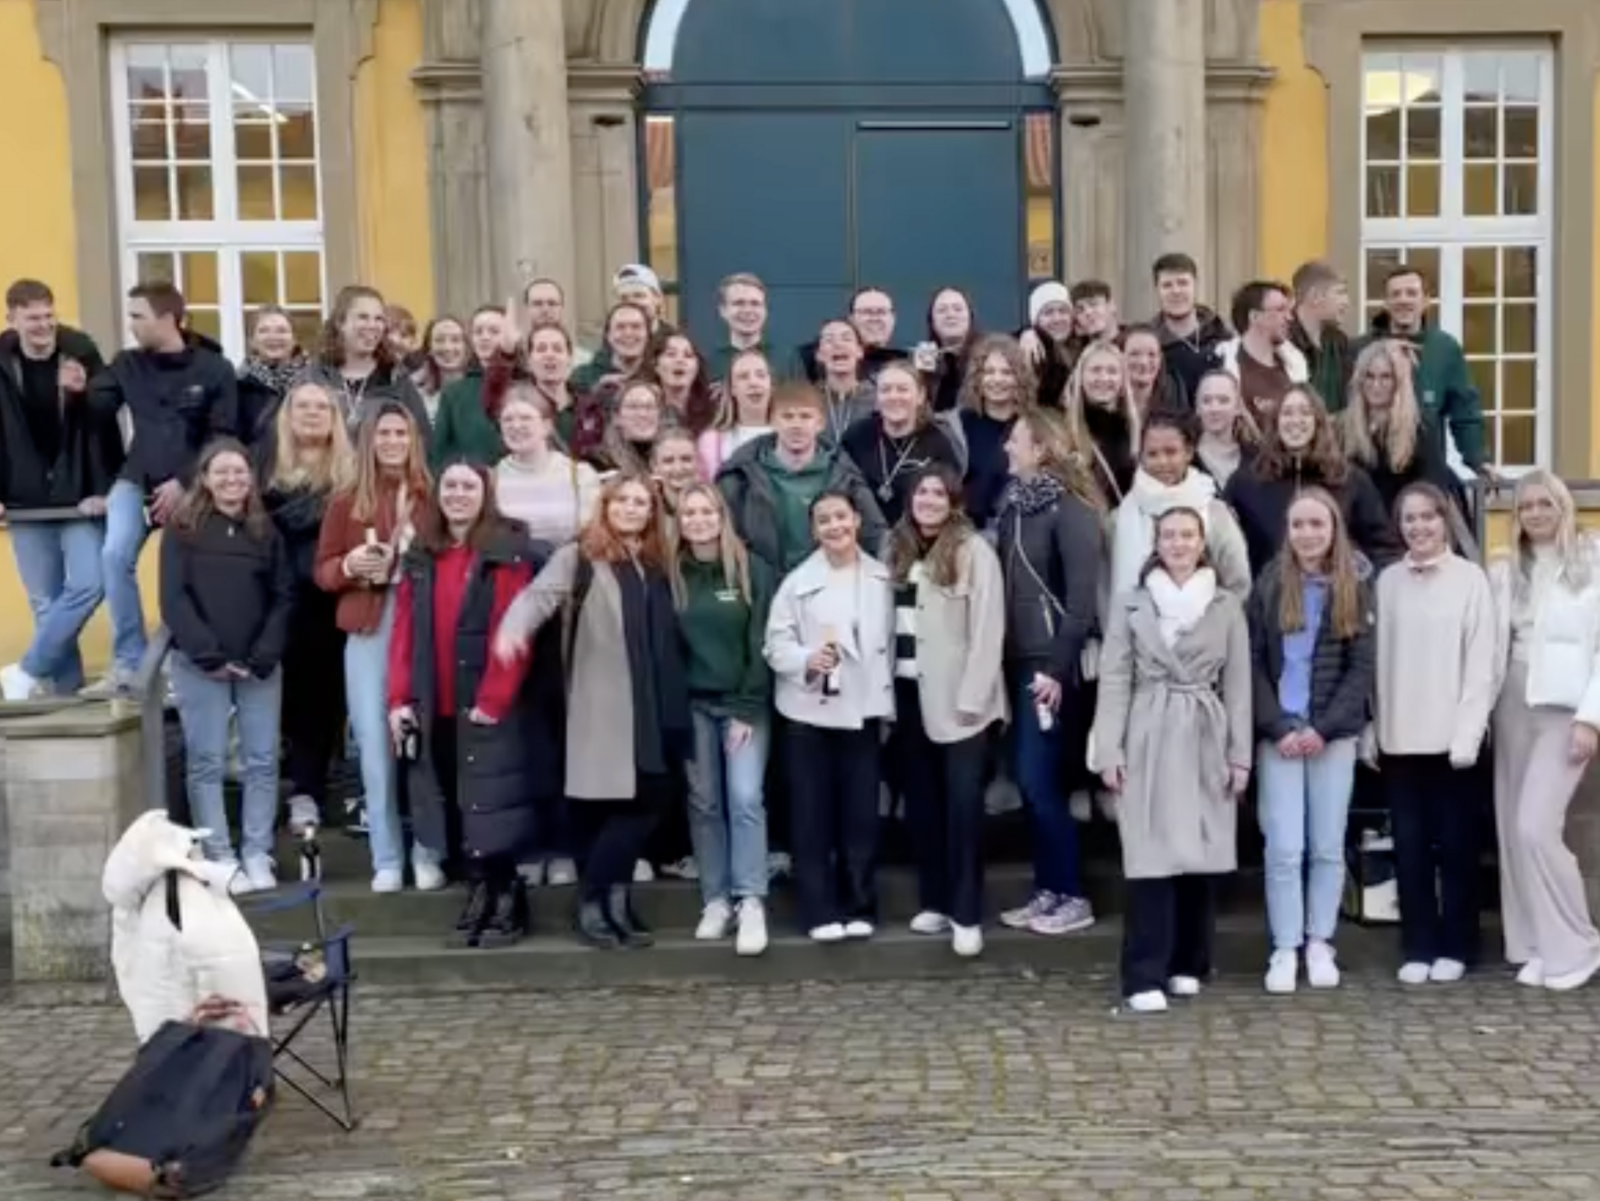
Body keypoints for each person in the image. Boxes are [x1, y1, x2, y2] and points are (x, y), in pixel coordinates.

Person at [494, 475, 691, 949]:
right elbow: (537, 599)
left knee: (649, 802)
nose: (630, 508)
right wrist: (511, 632)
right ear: (605, 506)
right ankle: (594, 903)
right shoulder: (579, 555)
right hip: (605, 705)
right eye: (621, 500)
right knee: (623, 807)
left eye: (640, 502)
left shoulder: (655, 561)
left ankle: (615, 902)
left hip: (655, 704)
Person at [1091, 505, 1252, 1014]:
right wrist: (1108, 749)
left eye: (1188, 535)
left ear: (1202, 543)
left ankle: (1189, 961)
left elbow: (1239, 685)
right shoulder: (1132, 604)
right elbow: (1115, 678)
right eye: (1169, 535)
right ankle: (1143, 973)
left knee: (1197, 851)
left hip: (1205, 729)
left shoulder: (1226, 606)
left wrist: (1239, 756)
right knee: (1149, 854)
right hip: (1149, 729)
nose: (1179, 544)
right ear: (1155, 544)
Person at [389, 462, 541, 948]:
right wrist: (399, 699)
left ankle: (506, 895)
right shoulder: (423, 554)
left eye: (468, 487)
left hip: (487, 699)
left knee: (492, 802)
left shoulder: (505, 550)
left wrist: (494, 698)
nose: (457, 495)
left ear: (486, 494)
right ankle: (478, 890)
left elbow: (513, 628)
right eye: (449, 486)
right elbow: (404, 633)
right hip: (438, 701)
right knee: (456, 802)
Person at [1248, 488, 1376, 995]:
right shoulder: (1271, 583)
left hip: (1331, 736)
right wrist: (1280, 726)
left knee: (1326, 845)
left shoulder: (1355, 585)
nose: (1307, 534)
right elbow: (1253, 662)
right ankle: (1285, 946)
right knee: (1283, 846)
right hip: (1281, 734)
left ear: (1333, 529)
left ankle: (1320, 939)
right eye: (1298, 525)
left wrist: (1323, 729)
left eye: (1317, 525)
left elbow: (1361, 668)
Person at [89, 281, 239, 696]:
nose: (131, 324)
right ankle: (129, 660)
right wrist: (76, 391)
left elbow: (224, 434)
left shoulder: (214, 368)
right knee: (114, 555)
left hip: (195, 486)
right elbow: (98, 407)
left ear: (168, 319)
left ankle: (180, 663)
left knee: (187, 572)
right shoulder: (127, 363)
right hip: (135, 480)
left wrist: (187, 481)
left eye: (138, 315)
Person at [160, 438, 295, 893]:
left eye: (240, 472)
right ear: (205, 477)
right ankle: (220, 854)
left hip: (259, 666)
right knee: (206, 761)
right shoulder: (182, 529)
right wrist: (209, 655)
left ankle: (258, 852)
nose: (232, 480)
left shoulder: (266, 530)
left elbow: (283, 595)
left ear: (252, 479)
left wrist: (263, 655)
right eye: (222, 472)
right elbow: (173, 599)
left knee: (261, 760)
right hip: (202, 667)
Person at [314, 402, 437, 893]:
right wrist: (350, 567)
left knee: (421, 741)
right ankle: (387, 857)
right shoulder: (347, 500)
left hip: (423, 628)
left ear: (413, 439)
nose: (391, 441)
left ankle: (428, 851)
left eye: (399, 433)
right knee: (374, 747)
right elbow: (322, 570)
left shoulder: (432, 496)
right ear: (369, 440)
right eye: (383, 433)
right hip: (369, 628)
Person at [1377, 482, 1496, 985]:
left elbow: (1482, 664)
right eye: (1409, 519)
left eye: (1428, 516)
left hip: (1453, 742)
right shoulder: (1386, 582)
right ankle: (1418, 943)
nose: (1419, 527)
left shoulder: (1471, 581)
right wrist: (1374, 727)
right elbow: (1378, 660)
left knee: (1457, 848)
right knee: (1409, 846)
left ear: (1445, 520)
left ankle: (1459, 944)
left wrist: (1468, 735)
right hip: (1400, 737)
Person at [764, 489, 895, 942]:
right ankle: (818, 910)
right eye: (824, 521)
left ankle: (860, 904)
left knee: (860, 815)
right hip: (809, 713)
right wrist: (804, 658)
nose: (834, 527)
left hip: (862, 710)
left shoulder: (882, 577)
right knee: (812, 816)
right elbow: (774, 645)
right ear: (813, 530)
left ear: (857, 520)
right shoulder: (796, 582)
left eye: (841, 517)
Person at [888, 467, 1007, 957]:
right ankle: (935, 899)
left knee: (962, 809)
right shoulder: (893, 548)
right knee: (924, 804)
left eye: (939, 493)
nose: (929, 500)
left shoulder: (973, 550)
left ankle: (966, 911)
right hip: (909, 693)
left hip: (962, 700)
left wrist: (973, 698)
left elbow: (988, 628)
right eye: (922, 493)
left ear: (954, 501)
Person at [1488, 471, 1600, 992]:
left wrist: (1590, 718)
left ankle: (1577, 943)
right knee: (1513, 832)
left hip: (1563, 708)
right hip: (1512, 702)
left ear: (1562, 506)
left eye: (1543, 503)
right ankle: (1533, 944)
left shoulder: (1592, 563)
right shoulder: (1508, 572)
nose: (1534, 513)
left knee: (1537, 825)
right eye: (1525, 506)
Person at [994, 409, 1103, 936]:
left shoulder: (1072, 509)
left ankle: (1072, 895)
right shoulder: (1012, 507)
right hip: (1018, 661)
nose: (1006, 448)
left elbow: (1081, 601)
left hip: (1048, 668)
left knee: (1041, 782)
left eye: (1014, 440)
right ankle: (1047, 889)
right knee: (1031, 780)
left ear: (1040, 448)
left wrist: (1058, 669)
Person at [0, 277, 118, 699]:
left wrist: (82, 392)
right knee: (46, 604)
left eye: (49, 316)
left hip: (80, 494)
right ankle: (64, 696)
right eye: (33, 318)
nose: (44, 326)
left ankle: (27, 670)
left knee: (90, 584)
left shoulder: (80, 351)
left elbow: (110, 412)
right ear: (12, 318)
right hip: (23, 498)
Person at [671, 483, 775, 956]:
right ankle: (715, 899)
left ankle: (749, 897)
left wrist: (747, 708)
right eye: (688, 512)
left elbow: (762, 644)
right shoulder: (672, 574)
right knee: (705, 802)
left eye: (706, 511)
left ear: (721, 515)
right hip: (694, 704)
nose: (697, 519)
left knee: (745, 796)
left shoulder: (750, 569)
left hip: (744, 706)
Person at [259, 381, 354, 835]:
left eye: (323, 406)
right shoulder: (264, 469)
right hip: (287, 601)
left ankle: (343, 790)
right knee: (300, 704)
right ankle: (305, 793)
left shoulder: (352, 474)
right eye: (304, 406)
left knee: (342, 701)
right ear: (287, 414)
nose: (313, 413)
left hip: (342, 600)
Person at [1224, 385, 1400, 575]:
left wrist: (1362, 588)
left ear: (1318, 421)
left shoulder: (1350, 479)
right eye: (1287, 413)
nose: (1296, 420)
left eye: (1305, 413)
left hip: (1337, 597)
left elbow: (1383, 548)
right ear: (1276, 422)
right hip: (1269, 597)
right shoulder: (1246, 482)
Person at [718, 382, 885, 576]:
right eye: (787, 416)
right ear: (772, 421)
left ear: (820, 423)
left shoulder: (844, 475)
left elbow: (875, 535)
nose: (796, 425)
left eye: (805, 416)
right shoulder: (741, 475)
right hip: (759, 586)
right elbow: (723, 534)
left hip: (828, 584)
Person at [1358, 264, 1488, 477]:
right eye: (1396, 294)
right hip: (1372, 471)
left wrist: (1478, 459)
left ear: (1426, 301)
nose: (1403, 300)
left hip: (1426, 472)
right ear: (1385, 302)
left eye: (1411, 293)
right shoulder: (1361, 349)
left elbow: (1464, 410)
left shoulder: (1444, 349)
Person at [1108, 411, 1251, 601]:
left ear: (1189, 453)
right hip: (1137, 626)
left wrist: (1219, 623)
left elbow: (1238, 583)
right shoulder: (1118, 520)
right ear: (1140, 457)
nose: (1162, 462)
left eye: (1171, 452)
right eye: (1152, 454)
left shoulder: (1214, 513)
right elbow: (1106, 589)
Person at [1340, 339, 1461, 519]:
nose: (1376, 385)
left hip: (1407, 529)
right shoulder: (1342, 427)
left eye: (1385, 377)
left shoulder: (1420, 428)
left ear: (1398, 382)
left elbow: (1432, 489)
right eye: (1369, 376)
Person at [298, 284, 430, 439]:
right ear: (341, 323)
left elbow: (422, 439)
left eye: (378, 319)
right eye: (363, 317)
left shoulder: (397, 379)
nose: (372, 326)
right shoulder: (313, 377)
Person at [839, 360, 962, 526]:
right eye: (885, 390)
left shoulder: (938, 443)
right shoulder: (856, 436)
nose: (893, 396)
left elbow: (950, 502)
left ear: (920, 396)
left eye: (902, 389)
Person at [493, 383, 601, 547]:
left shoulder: (580, 475)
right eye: (507, 419)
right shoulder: (491, 479)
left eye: (525, 418)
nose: (515, 426)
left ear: (546, 426)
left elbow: (592, 537)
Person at [957, 334, 1036, 528]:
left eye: (1007, 372)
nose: (997, 379)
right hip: (969, 534)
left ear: (1020, 377)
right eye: (989, 371)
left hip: (1020, 531)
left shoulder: (1032, 425)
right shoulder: (960, 424)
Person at [1214, 280, 1308, 433]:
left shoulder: (1295, 368)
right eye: (1280, 310)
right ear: (1255, 316)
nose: (1289, 318)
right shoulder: (1221, 365)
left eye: (1289, 311)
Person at [1061, 341, 1138, 504]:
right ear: (1081, 377)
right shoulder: (1064, 431)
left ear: (1123, 379)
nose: (1103, 378)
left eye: (1112, 371)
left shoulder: (1134, 429)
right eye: (1095, 370)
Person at [1149, 253, 1231, 402]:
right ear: (1156, 290)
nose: (1176, 291)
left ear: (1196, 285)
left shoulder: (1224, 338)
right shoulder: (1149, 347)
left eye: (1183, 283)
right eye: (1167, 285)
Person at [697, 348, 774, 479]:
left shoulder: (788, 436)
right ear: (732, 389)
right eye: (743, 377)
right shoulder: (711, 441)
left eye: (761, 375)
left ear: (771, 385)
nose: (753, 383)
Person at [1289, 260, 1355, 414]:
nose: (1347, 302)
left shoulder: (1339, 341)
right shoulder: (1282, 342)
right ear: (1315, 296)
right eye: (1340, 292)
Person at [236, 305, 306, 448]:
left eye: (282, 331)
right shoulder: (238, 385)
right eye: (264, 331)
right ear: (252, 341)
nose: (273, 337)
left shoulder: (313, 381)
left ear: (295, 339)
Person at [811, 319, 878, 447]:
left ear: (860, 351)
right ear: (819, 354)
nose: (838, 344)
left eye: (846, 338)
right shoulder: (807, 399)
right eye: (829, 340)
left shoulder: (879, 398)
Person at [570, 302, 656, 399]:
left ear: (648, 335)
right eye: (620, 327)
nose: (628, 333)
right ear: (608, 336)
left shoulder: (659, 375)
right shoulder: (583, 376)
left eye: (636, 326)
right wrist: (596, 389)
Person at [1192, 369, 1257, 488]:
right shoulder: (1186, 459)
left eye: (1223, 400)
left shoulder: (1256, 459)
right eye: (1206, 401)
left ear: (1237, 407)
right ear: (1197, 408)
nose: (1214, 408)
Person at [917, 286, 977, 413]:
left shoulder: (988, 355)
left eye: (958, 309)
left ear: (970, 317)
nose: (950, 315)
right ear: (932, 321)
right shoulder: (923, 359)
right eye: (942, 310)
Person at [711, 273, 778, 384]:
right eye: (739, 303)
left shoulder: (787, 360)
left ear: (765, 310)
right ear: (723, 311)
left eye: (755, 303)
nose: (747, 310)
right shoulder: (709, 364)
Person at [1021, 281, 1078, 408]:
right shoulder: (1032, 351)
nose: (1057, 319)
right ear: (1036, 320)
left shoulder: (1082, 347)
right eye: (1048, 313)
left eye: (1063, 311)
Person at [597, 380, 667, 476]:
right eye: (633, 407)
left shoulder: (672, 458)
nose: (643, 414)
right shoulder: (599, 462)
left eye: (650, 407)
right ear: (616, 418)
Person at [411, 316, 470, 429]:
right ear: (429, 348)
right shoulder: (413, 391)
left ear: (467, 347)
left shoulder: (481, 389)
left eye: (455, 340)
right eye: (439, 340)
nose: (447, 347)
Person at [655, 332, 717, 435]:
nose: (680, 360)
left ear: (697, 367)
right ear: (656, 366)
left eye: (688, 355)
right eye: (671, 354)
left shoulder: (715, 413)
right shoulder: (645, 410)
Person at [1121, 324, 1188, 414]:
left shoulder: (1176, 400)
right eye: (1135, 354)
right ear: (1120, 357)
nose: (1143, 362)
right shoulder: (1109, 401)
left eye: (1151, 354)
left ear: (1160, 359)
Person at [650, 429, 702, 524]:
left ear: (698, 462)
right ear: (654, 466)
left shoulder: (713, 503)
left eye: (686, 459)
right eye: (668, 461)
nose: (678, 468)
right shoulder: (647, 509)